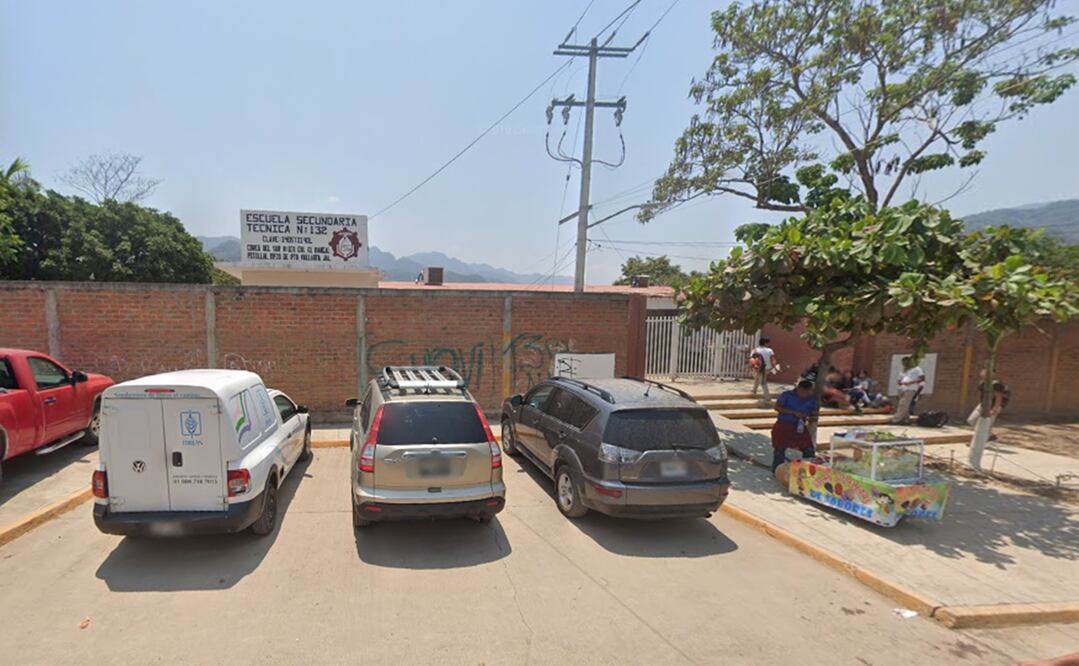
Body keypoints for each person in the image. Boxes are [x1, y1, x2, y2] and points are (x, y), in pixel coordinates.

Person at [770, 379, 819, 472]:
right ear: (798, 388)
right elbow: (777, 407)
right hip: (784, 425)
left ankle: (807, 470)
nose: (805, 394)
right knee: (779, 448)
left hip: (800, 427)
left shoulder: (811, 399)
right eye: (803, 392)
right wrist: (794, 413)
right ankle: (777, 470)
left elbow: (814, 413)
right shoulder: (787, 395)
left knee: (809, 449)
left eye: (808, 392)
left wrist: (812, 418)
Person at [967, 370, 1010, 441]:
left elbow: (998, 397)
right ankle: (990, 436)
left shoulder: (995, 384)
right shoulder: (982, 384)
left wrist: (994, 409)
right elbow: (980, 395)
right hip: (984, 404)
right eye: (982, 373)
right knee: (971, 420)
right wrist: (980, 405)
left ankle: (980, 441)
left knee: (987, 424)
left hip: (994, 405)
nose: (982, 374)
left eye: (985, 374)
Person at [890, 356, 925, 424]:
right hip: (902, 389)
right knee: (905, 405)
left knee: (903, 404)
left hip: (911, 389)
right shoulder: (903, 371)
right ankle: (906, 419)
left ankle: (896, 419)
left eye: (906, 362)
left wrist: (910, 382)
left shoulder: (917, 369)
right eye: (903, 362)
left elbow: (922, 378)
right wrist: (901, 382)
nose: (904, 364)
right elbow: (899, 380)